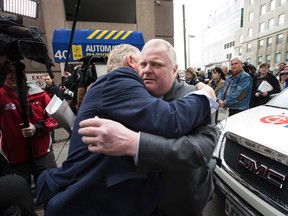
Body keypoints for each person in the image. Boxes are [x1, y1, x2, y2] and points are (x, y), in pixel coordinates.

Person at [35, 43, 215, 216]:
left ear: (175, 70)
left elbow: (199, 149)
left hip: (178, 205)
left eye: (156, 64)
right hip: (131, 202)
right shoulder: (127, 89)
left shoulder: (193, 95)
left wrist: (134, 143)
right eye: (143, 63)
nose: (146, 70)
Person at [0, 61, 58, 186]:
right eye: (9, 72)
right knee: (21, 200)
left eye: (16, 71)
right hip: (15, 158)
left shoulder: (40, 94)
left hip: (43, 154)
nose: (13, 75)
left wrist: (37, 128)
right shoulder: (1, 95)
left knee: (52, 191)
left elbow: (54, 118)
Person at [43, 74, 64, 143]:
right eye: (45, 80)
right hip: (49, 108)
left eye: (48, 79)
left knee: (63, 122)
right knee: (50, 123)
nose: (46, 81)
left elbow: (60, 98)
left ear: (51, 79)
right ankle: (52, 139)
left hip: (56, 107)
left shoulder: (56, 88)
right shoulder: (45, 89)